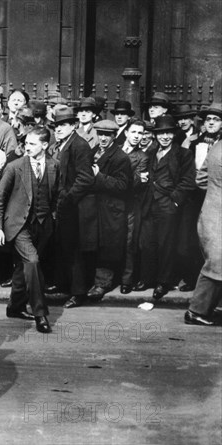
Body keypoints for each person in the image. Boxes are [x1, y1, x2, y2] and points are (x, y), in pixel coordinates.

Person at [0, 127, 58, 332]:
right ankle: (41, 313)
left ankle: (15, 306)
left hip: (43, 225)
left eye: (31, 144)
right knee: (32, 261)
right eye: (26, 143)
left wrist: (53, 218)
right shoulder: (14, 167)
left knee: (23, 267)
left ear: (45, 145)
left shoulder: (55, 165)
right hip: (19, 226)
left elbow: (56, 195)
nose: (26, 147)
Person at [133, 115, 195, 300]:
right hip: (149, 205)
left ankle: (163, 282)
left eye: (168, 133)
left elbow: (187, 181)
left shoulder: (183, 154)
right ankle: (148, 278)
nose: (165, 137)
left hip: (167, 206)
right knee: (147, 244)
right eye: (161, 133)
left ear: (173, 134)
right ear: (156, 135)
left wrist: (175, 200)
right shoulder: (150, 153)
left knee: (166, 245)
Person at [78, 120, 132, 305]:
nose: (102, 138)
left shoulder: (120, 157)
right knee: (95, 244)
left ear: (114, 136)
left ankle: (102, 283)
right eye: (100, 134)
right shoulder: (94, 152)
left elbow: (123, 185)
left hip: (111, 209)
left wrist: (98, 177)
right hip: (94, 208)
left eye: (107, 135)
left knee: (107, 247)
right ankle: (92, 282)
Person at [48, 106, 94, 307]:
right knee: (62, 246)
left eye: (63, 125)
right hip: (60, 204)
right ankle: (63, 285)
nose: (58, 129)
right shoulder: (61, 144)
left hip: (74, 206)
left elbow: (85, 178)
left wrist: (67, 199)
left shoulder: (79, 145)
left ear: (73, 126)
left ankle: (78, 292)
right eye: (56, 125)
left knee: (73, 248)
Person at [185, 140, 222, 325]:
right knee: (216, 265)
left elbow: (200, 179)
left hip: (211, 213)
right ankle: (196, 311)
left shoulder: (217, 146)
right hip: (218, 219)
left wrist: (215, 192)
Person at [119, 118, 149, 294]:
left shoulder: (143, 157)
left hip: (131, 204)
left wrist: (116, 180)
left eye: (140, 133)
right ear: (126, 132)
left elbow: (138, 183)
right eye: (134, 132)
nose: (137, 136)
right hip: (111, 204)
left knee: (129, 242)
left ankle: (126, 280)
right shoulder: (115, 150)